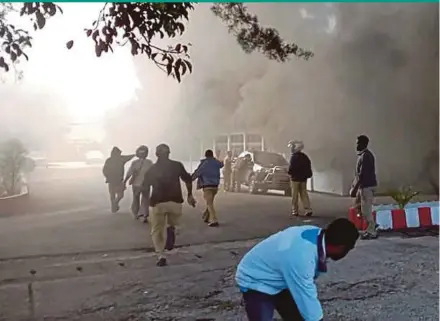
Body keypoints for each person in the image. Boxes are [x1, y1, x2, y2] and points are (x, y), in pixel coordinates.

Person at [236, 218, 359, 321]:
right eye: (348, 249)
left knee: (298, 317)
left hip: (281, 276)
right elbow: (306, 296)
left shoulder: (317, 236)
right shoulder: (302, 257)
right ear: (340, 247)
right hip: (256, 280)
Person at [142, 143, 196, 267]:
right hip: (175, 202)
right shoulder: (177, 165)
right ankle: (171, 228)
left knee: (157, 230)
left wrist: (145, 201)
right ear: (169, 153)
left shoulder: (152, 169)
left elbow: (145, 187)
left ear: (156, 155)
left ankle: (161, 255)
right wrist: (189, 195)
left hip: (158, 202)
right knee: (174, 223)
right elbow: (188, 179)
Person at [349, 134, 378, 240]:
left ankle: (372, 231)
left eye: (358, 143)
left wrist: (354, 189)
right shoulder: (363, 155)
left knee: (366, 209)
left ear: (364, 144)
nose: (356, 145)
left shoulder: (366, 156)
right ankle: (370, 228)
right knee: (360, 207)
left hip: (367, 186)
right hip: (364, 186)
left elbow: (362, 174)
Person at [192, 149, 224, 227]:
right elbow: (221, 164)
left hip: (207, 186)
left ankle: (214, 220)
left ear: (205, 155)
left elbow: (198, 172)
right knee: (210, 203)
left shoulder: (204, 163)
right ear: (212, 155)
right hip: (215, 186)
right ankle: (206, 217)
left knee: (209, 204)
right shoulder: (216, 162)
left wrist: (190, 179)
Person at [124, 145, 153, 222]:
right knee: (145, 199)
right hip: (146, 185)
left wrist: (125, 181)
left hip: (136, 184)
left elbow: (129, 173)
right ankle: (144, 215)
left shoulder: (135, 163)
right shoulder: (149, 163)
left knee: (136, 199)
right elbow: (153, 174)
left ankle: (136, 214)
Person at [102, 147, 135, 213]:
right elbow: (128, 157)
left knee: (112, 195)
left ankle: (113, 206)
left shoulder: (109, 160)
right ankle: (115, 203)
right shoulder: (121, 159)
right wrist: (134, 155)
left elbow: (104, 170)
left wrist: (107, 176)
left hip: (111, 181)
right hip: (118, 180)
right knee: (120, 195)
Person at [288, 140, 313, 217]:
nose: (291, 149)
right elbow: (308, 167)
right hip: (303, 179)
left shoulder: (293, 157)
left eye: (292, 147)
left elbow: (291, 169)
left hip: (295, 179)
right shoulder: (305, 157)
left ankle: (295, 211)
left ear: (296, 148)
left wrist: (289, 173)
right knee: (304, 194)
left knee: (294, 195)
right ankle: (308, 209)